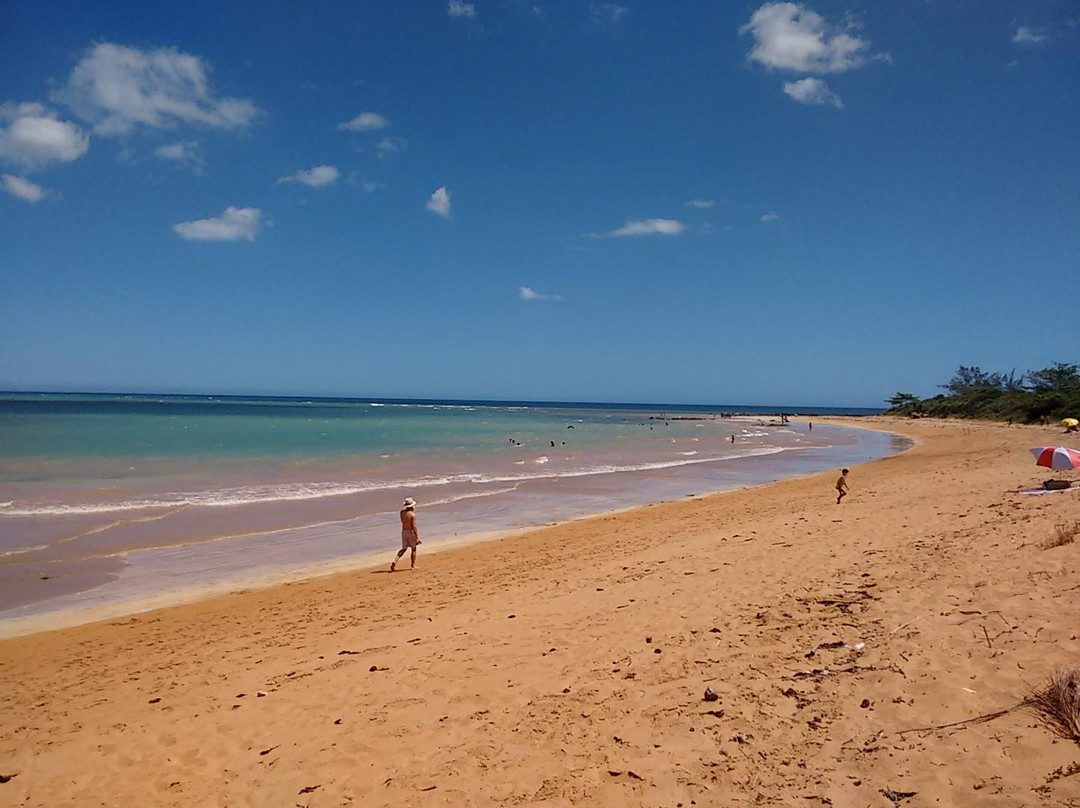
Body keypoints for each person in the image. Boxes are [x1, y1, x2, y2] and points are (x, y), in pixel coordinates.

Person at [390, 497, 421, 571]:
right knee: (413, 549)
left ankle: (395, 560)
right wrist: (417, 537)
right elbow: (414, 526)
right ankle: (412, 565)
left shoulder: (402, 513)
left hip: (404, 532)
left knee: (404, 549)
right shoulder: (412, 515)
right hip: (410, 532)